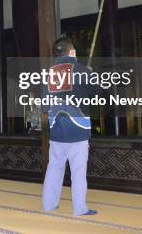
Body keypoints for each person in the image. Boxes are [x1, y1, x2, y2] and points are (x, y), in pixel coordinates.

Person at [42, 37, 97, 216]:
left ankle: (49, 204)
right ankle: (79, 208)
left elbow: (44, 106)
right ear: (72, 52)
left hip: (57, 129)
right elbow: (96, 94)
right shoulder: (81, 70)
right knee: (78, 171)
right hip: (78, 130)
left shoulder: (48, 74)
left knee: (54, 167)